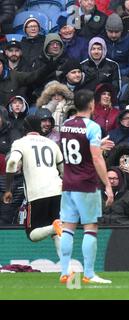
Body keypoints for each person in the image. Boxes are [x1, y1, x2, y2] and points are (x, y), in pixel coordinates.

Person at [58, 89, 114, 284]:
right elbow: (96, 158)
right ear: (91, 105)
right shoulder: (93, 127)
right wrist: (107, 184)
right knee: (90, 227)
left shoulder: (65, 125)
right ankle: (89, 274)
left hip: (68, 182)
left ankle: (65, 271)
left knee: (68, 228)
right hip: (86, 183)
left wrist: (98, 145)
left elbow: (76, 147)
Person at [2, 115, 64, 259]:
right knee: (56, 233)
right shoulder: (51, 143)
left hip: (37, 193)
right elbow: (63, 171)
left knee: (32, 234)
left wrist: (8, 189)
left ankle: (54, 226)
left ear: (25, 128)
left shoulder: (21, 142)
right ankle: (66, 269)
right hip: (56, 190)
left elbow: (11, 163)